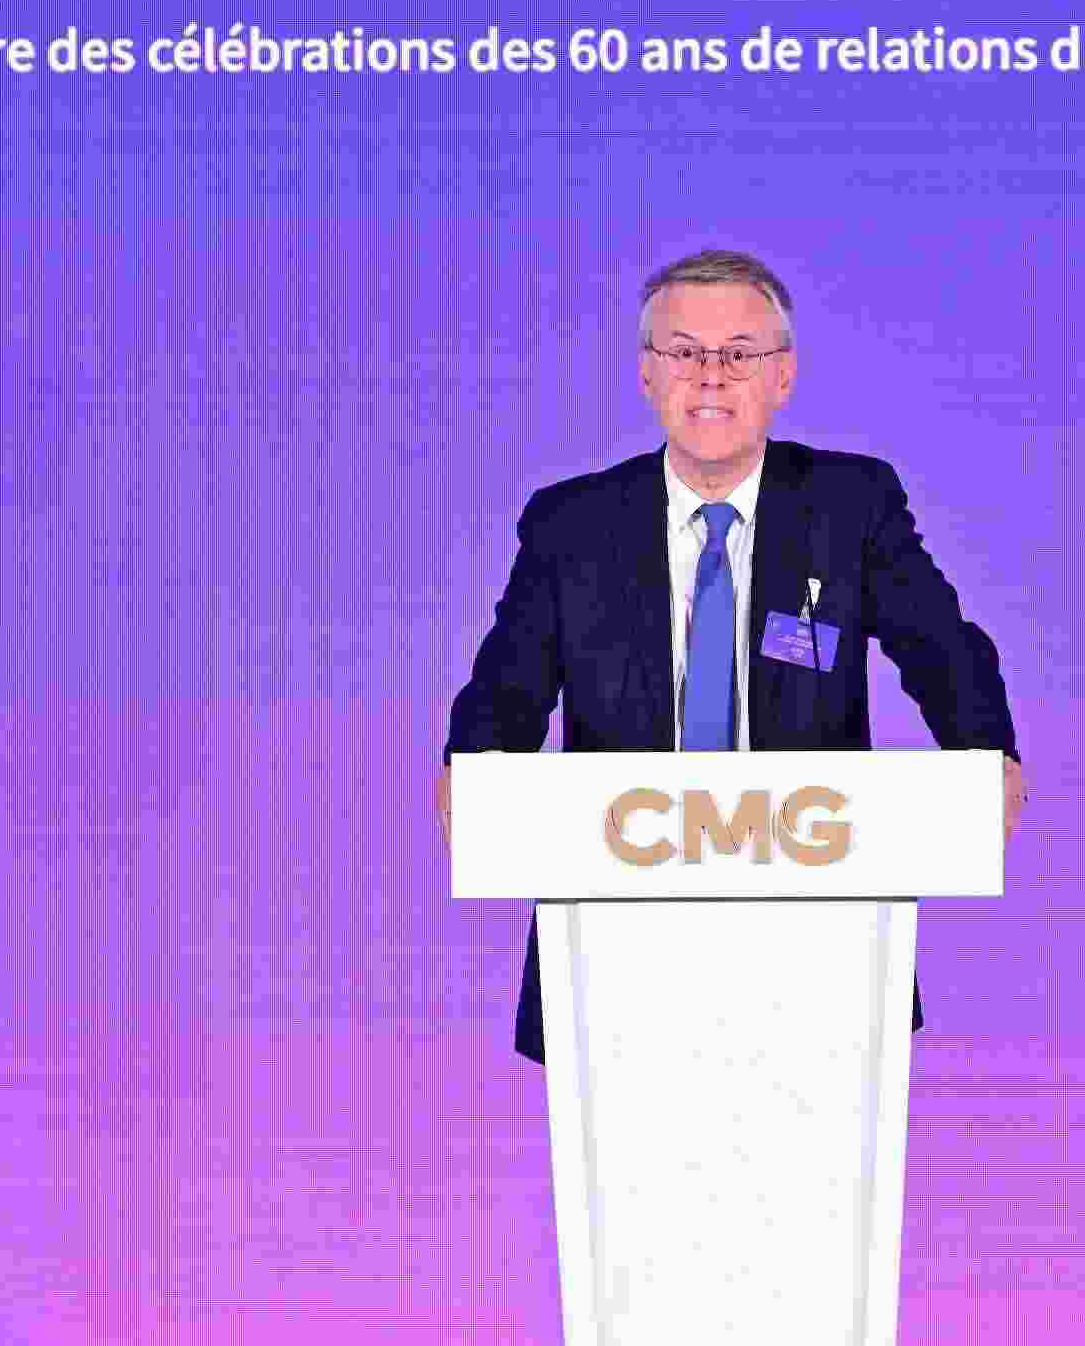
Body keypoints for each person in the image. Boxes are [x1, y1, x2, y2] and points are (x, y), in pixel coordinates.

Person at [438, 247, 1027, 1063]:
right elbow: (508, 684)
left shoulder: (850, 506)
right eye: (684, 352)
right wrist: (472, 767)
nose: (710, 375)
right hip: (616, 936)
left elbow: (942, 648)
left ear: (783, 376)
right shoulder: (572, 525)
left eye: (739, 354)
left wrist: (989, 751)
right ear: (647, 374)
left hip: (818, 926)